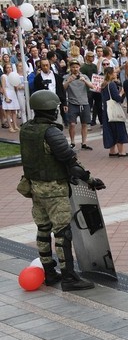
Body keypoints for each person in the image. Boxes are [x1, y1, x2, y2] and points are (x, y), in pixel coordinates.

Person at [19, 90, 106, 291]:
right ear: (50, 109)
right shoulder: (51, 132)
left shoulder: (26, 128)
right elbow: (70, 162)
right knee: (62, 233)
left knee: (43, 229)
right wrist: (90, 179)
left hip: (35, 187)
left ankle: (49, 272)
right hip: (54, 190)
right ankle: (68, 277)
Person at [62, 60, 95, 150]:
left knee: (84, 124)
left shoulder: (84, 76)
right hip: (72, 103)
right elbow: (63, 88)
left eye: (76, 67)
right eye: (73, 67)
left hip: (84, 103)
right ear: (70, 68)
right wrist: (68, 81)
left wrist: (85, 81)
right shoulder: (66, 77)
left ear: (79, 67)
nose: (75, 69)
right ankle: (72, 142)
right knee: (72, 124)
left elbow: (92, 86)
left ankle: (84, 143)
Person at [100, 67, 128, 158]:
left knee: (110, 130)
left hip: (106, 110)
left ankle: (112, 151)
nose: (116, 74)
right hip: (113, 111)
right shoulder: (112, 85)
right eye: (114, 72)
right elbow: (118, 99)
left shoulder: (103, 85)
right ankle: (121, 151)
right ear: (110, 74)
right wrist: (122, 93)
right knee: (118, 129)